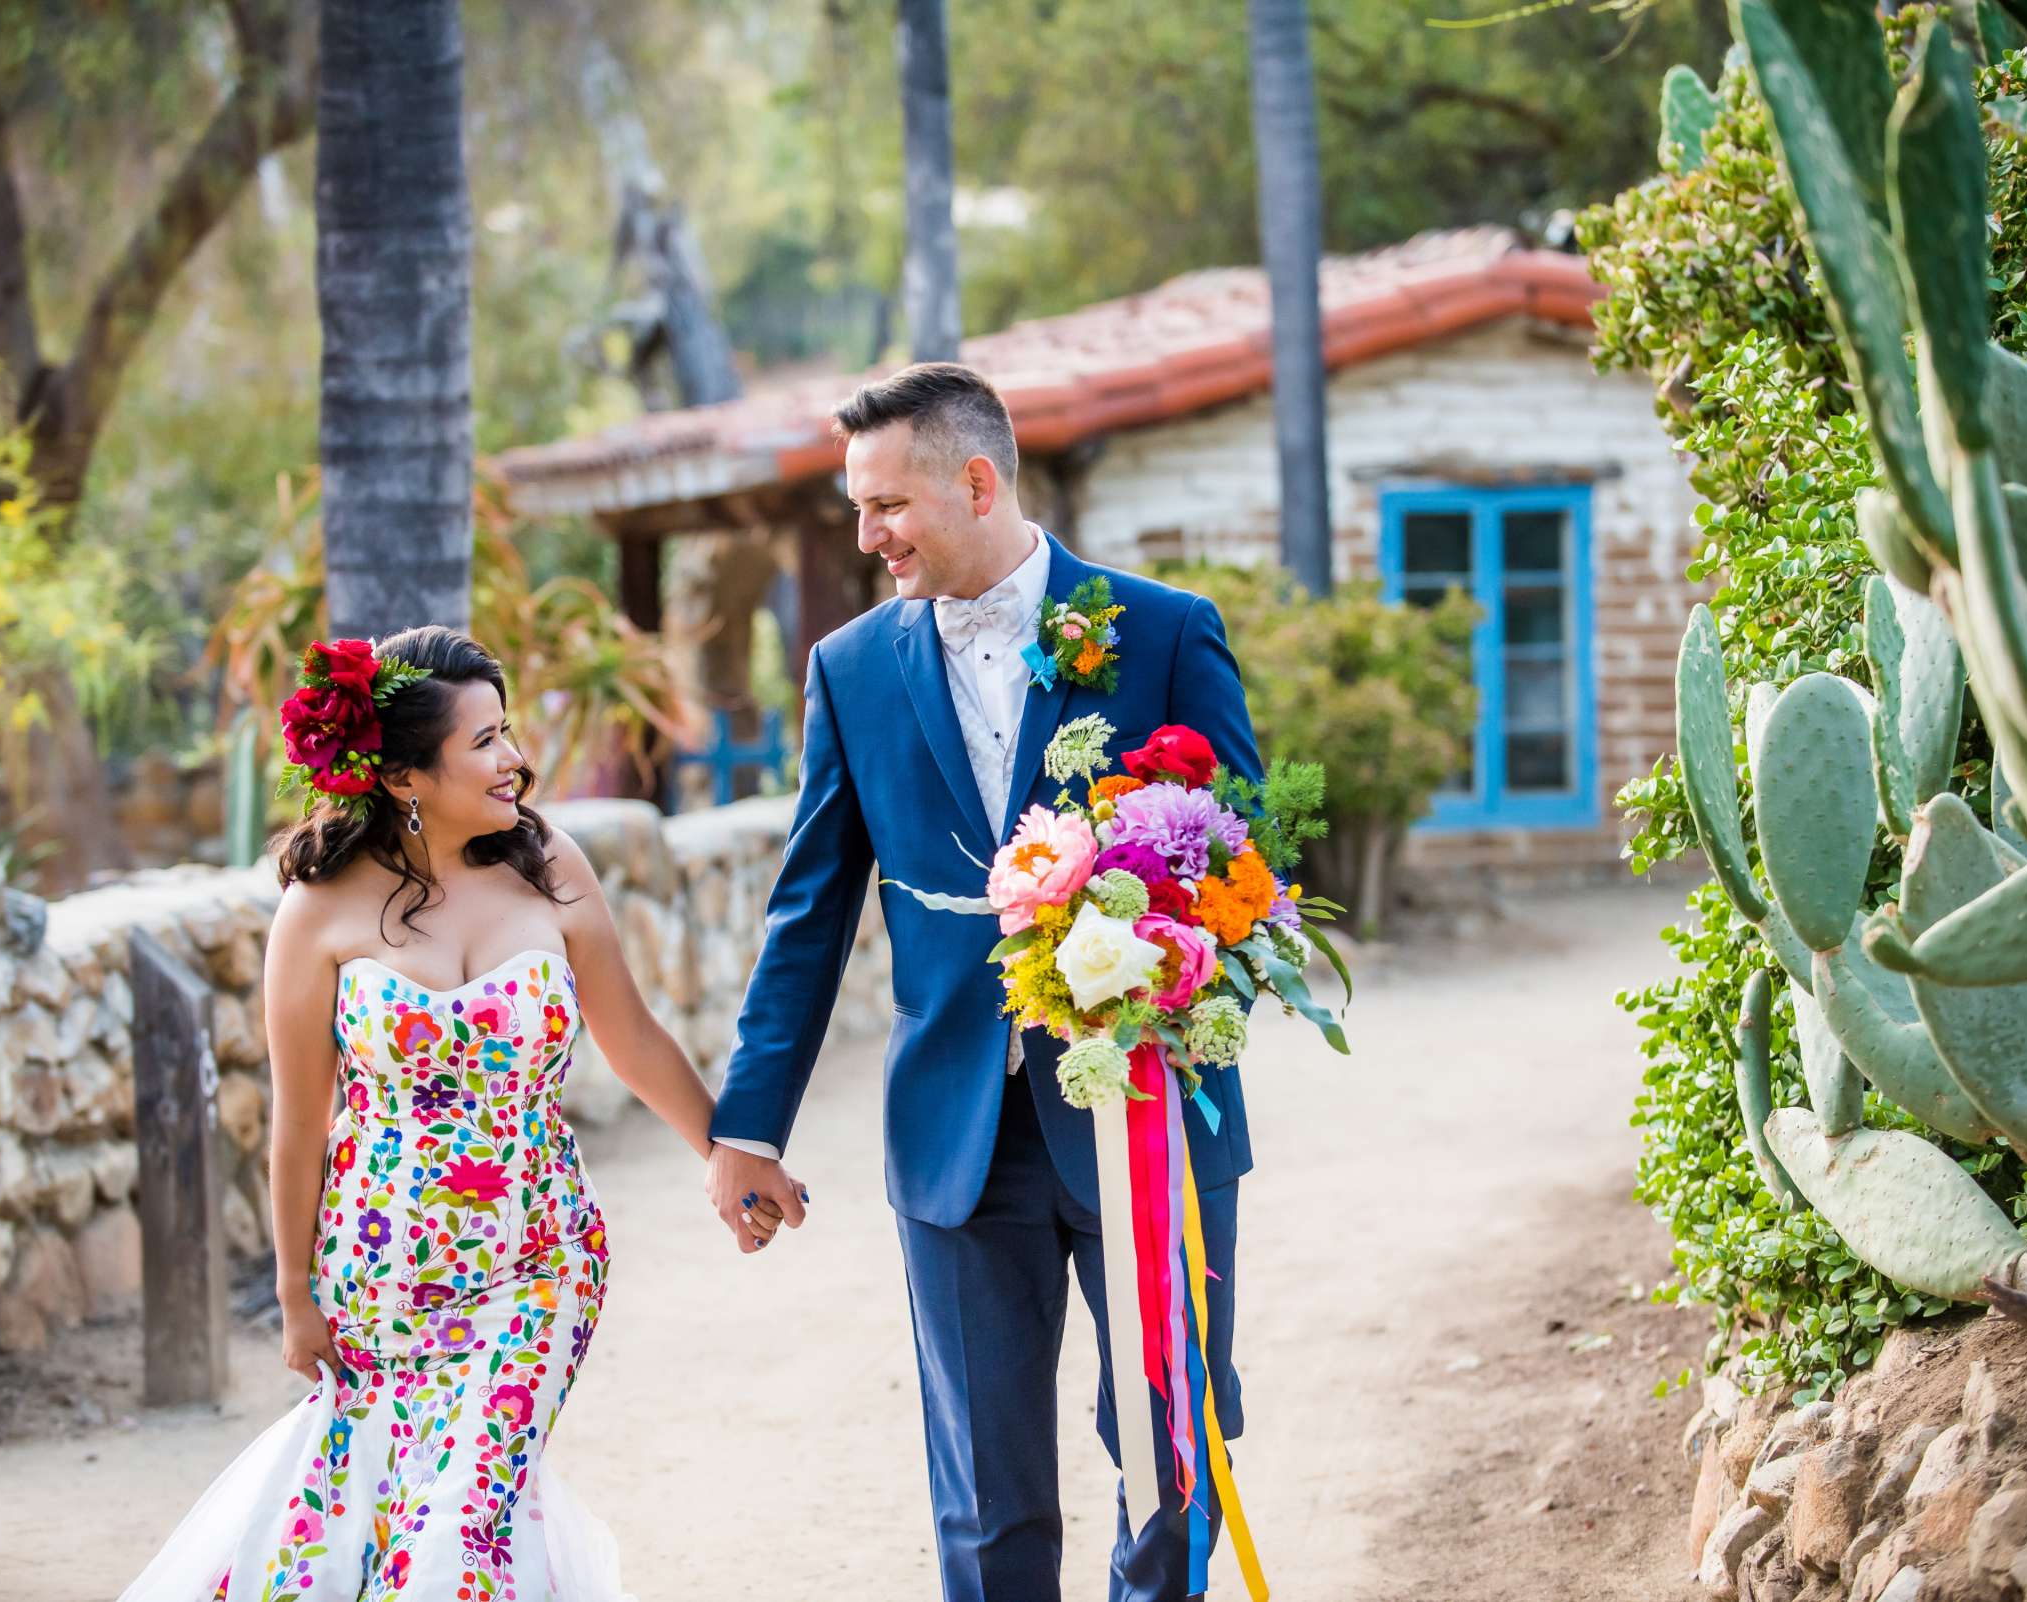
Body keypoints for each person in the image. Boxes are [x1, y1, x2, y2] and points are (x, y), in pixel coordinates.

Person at [703, 362, 1260, 1602]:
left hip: (1146, 1118)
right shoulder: (850, 670)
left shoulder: (1162, 630)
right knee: (986, 1505)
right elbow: (811, 908)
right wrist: (748, 1125)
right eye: (856, 509)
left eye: (888, 505)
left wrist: (1155, 956)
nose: (868, 538)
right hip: (955, 1140)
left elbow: (1247, 853)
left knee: (1174, 1463)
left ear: (976, 479)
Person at [117, 625, 801, 1601]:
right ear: (403, 777)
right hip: (374, 1289)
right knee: (352, 1534)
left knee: (459, 1523)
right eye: (483, 743)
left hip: (538, 1263)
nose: (515, 760)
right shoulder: (315, 912)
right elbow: (300, 1122)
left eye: (508, 733)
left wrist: (735, 1156)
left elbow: (634, 1036)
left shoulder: (549, 867)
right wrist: (294, 1289)